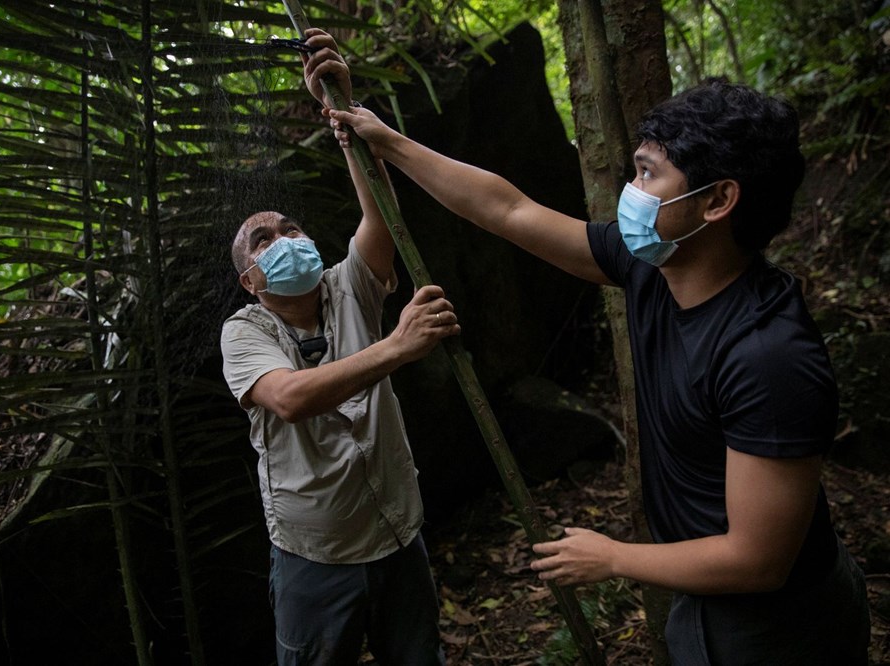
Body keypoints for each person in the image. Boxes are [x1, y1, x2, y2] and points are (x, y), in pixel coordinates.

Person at [328, 58, 871, 663]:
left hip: (780, 626)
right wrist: (388, 141)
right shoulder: (654, 266)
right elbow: (509, 211)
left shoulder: (769, 357)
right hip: (704, 594)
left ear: (718, 200)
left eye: (648, 174)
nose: (631, 193)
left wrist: (612, 557)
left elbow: (759, 560)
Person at [219, 29, 455, 666]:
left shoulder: (347, 286)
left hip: (400, 537)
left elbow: (380, 217)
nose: (285, 237)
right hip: (314, 559)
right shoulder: (244, 332)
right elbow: (290, 399)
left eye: (289, 227)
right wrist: (398, 347)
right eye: (264, 239)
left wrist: (342, 110)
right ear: (250, 279)